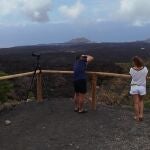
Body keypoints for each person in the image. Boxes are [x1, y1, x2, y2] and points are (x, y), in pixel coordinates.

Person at [129, 56, 148, 121]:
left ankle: (137, 117)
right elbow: (145, 76)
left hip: (134, 86)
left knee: (136, 103)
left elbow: (131, 76)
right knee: (141, 101)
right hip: (142, 86)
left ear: (134, 62)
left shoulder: (131, 69)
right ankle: (141, 115)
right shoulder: (145, 69)